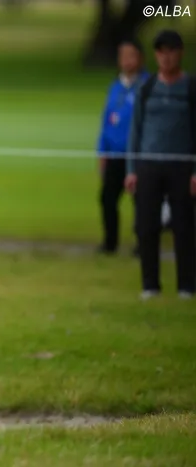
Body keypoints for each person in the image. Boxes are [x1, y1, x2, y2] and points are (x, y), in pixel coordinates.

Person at [125, 29, 196, 300]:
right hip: (149, 165)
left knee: (184, 226)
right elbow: (135, 131)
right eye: (161, 52)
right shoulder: (147, 88)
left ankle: (186, 286)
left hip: (181, 165)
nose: (166, 57)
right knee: (146, 226)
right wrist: (132, 170)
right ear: (155, 55)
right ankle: (150, 285)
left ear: (180, 53)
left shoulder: (190, 88)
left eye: (171, 51)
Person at [96, 39, 150, 256]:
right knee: (107, 198)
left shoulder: (148, 85)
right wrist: (102, 152)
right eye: (122, 56)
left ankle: (143, 244)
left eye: (131, 55)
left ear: (140, 58)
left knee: (142, 201)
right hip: (114, 154)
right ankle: (110, 243)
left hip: (138, 155)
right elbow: (106, 121)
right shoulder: (115, 87)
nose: (126, 61)